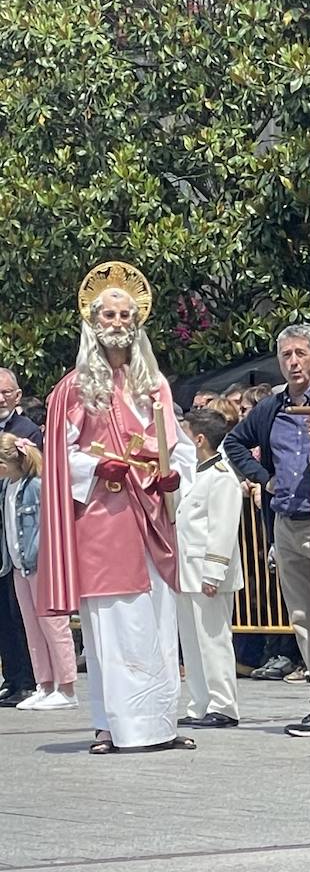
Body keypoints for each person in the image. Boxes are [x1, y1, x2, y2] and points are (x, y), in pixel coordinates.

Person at [38, 263, 197, 754]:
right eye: (109, 313)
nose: (119, 321)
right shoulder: (74, 388)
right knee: (113, 626)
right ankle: (113, 726)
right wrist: (93, 470)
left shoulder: (153, 384)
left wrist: (175, 476)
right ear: (92, 320)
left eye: (127, 313)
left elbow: (178, 445)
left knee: (154, 620)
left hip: (151, 516)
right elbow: (58, 459)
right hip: (104, 523)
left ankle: (159, 725)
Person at [222, 325, 310, 739]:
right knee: (303, 618)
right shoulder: (271, 407)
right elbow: (234, 442)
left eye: (301, 353)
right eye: (286, 355)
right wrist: (262, 478)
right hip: (287, 522)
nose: (293, 362)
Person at [174, 409, 244, 729]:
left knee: (214, 641)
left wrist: (213, 574)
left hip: (207, 573)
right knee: (192, 641)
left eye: (185, 433)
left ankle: (224, 704)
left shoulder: (222, 476)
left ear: (199, 439)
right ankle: (200, 701)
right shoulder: (196, 475)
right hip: (187, 572)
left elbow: (223, 530)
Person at [0, 434, 77, 710]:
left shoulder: (35, 486)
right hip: (18, 565)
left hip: (40, 563)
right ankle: (44, 684)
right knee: (32, 628)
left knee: (53, 625)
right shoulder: (8, 487)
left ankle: (66, 687)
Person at [0, 368, 41, 708]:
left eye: (6, 392)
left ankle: (27, 679)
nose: (1, 398)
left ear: (17, 394)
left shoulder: (26, 431)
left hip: (18, 530)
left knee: (19, 611)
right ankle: (12, 677)